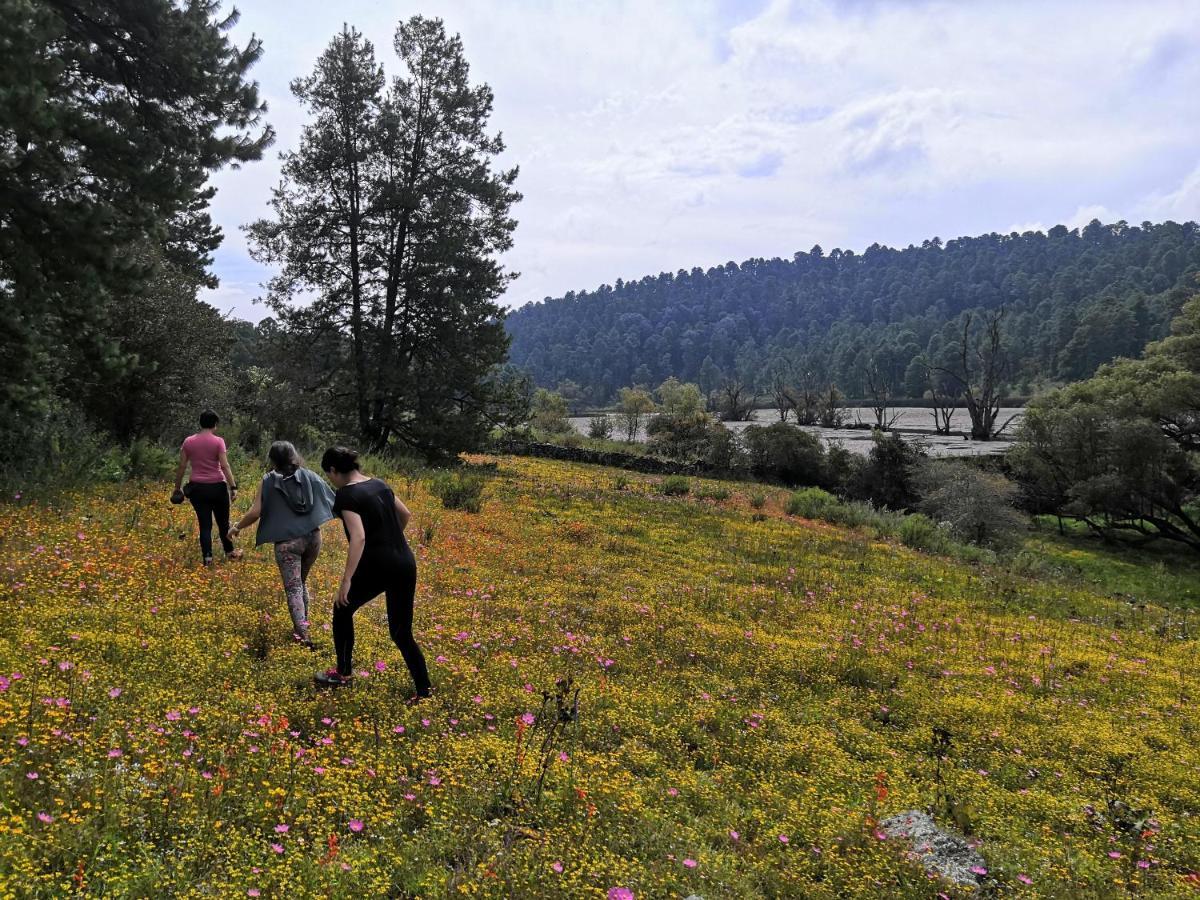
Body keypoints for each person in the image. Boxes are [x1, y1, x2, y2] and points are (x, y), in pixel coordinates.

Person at [315, 446, 431, 699]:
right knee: (402, 632)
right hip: (404, 563)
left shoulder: (346, 495)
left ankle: (343, 673)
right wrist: (390, 538)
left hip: (378, 566)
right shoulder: (380, 484)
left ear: (334, 470)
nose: (330, 479)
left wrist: (346, 581)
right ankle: (424, 691)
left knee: (342, 607)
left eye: (329, 474)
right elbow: (406, 514)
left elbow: (358, 537)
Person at [227, 441, 336, 647]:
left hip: (287, 544)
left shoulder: (268, 480)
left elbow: (255, 512)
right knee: (301, 583)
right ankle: (304, 626)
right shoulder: (309, 475)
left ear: (273, 460)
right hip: (313, 538)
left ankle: (303, 636)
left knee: (294, 588)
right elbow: (335, 500)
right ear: (294, 456)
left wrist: (237, 527)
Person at [172, 410, 242, 567]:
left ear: (200, 423)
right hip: (218, 487)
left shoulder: (188, 442)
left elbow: (182, 466)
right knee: (223, 523)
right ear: (215, 425)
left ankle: (208, 559)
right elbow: (224, 465)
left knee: (205, 525)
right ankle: (230, 552)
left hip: (197, 489)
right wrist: (233, 486)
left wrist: (177, 488)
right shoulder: (218, 441)